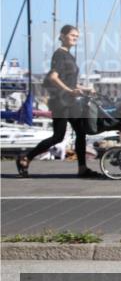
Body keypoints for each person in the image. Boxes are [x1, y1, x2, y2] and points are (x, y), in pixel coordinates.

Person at [16, 25, 99, 178]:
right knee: (58, 137)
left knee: (81, 133)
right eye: (72, 35)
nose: (75, 38)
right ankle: (26, 157)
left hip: (71, 102)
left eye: (77, 36)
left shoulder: (70, 56)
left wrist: (86, 89)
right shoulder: (60, 55)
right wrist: (69, 91)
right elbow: (53, 77)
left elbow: (70, 82)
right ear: (62, 36)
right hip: (61, 102)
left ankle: (82, 168)